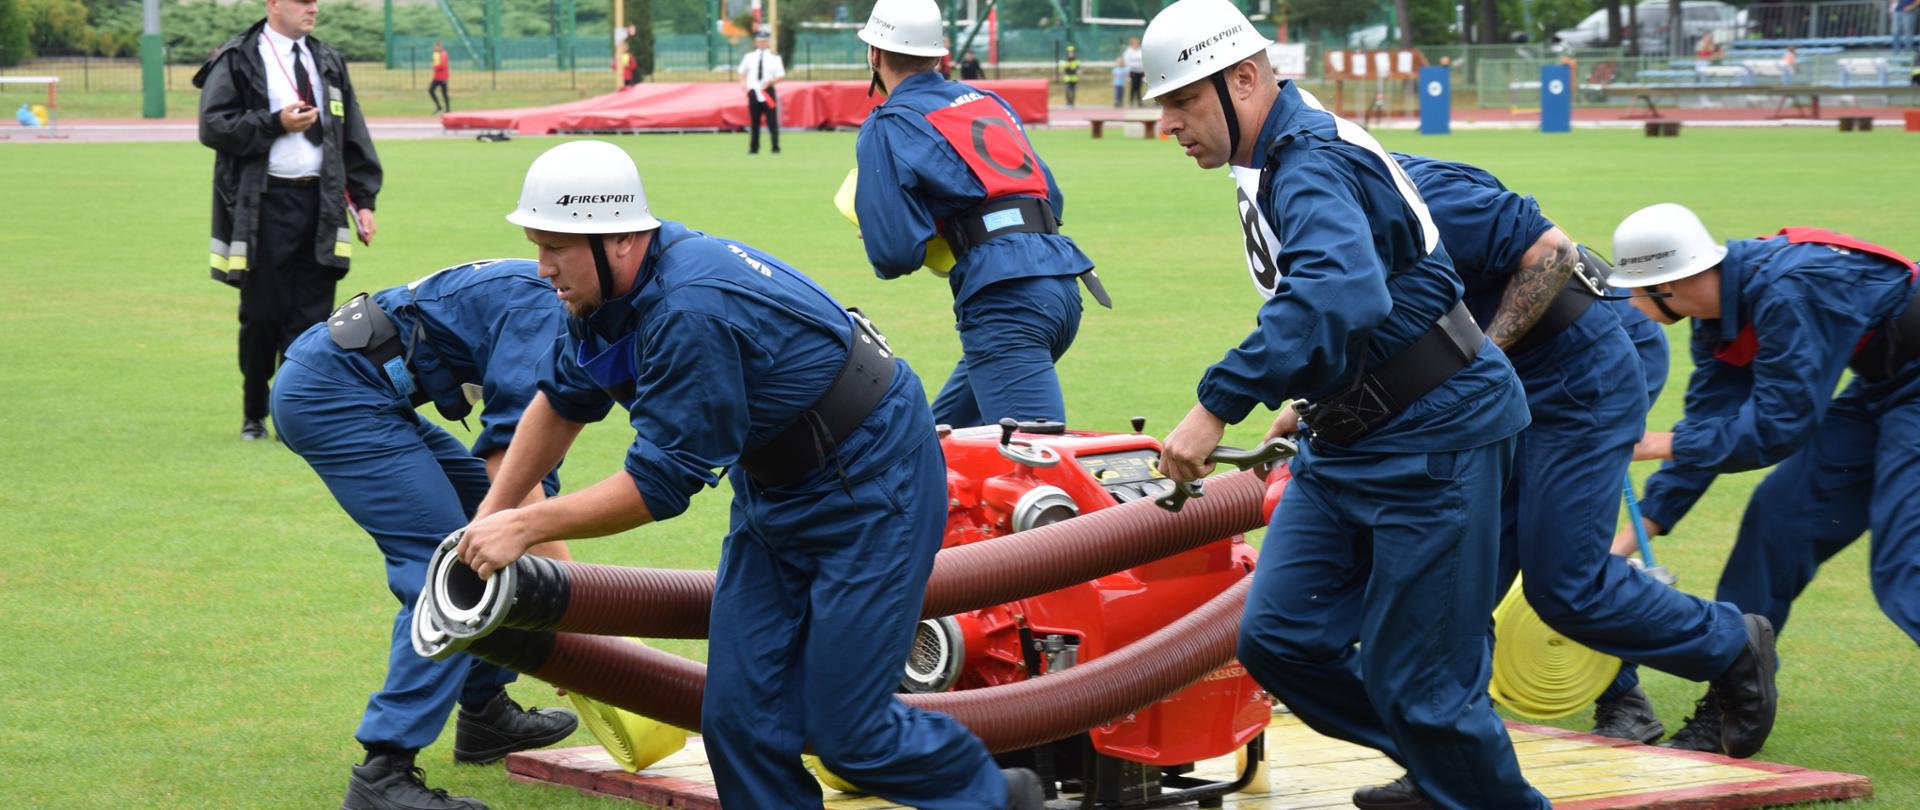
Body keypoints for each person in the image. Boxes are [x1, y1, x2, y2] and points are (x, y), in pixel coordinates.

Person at [453, 140, 1047, 810]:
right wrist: (490, 517)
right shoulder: (602, 299)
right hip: (779, 488)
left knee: (848, 732)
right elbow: (561, 401)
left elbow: (658, 487)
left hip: (877, 482)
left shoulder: (688, 308)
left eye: (555, 247)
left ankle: (998, 799)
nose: (543, 267)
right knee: (737, 721)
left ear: (617, 240)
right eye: (538, 244)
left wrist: (528, 525)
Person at [1142, 1, 1543, 807]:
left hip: (1436, 433)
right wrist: (1311, 391)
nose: (1171, 125)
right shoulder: (1274, 154)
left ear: (1243, 81)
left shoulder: (1307, 157)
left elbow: (1340, 288)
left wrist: (1218, 401)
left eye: (1183, 101)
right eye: (1165, 107)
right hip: (1350, 436)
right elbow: (1344, 300)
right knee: (1281, 640)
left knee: (1420, 677)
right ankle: (1448, 765)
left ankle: (1467, 776)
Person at [1390, 155, 1779, 759]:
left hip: (1587, 368)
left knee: (1565, 577)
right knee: (1465, 565)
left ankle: (1697, 661)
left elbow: (1549, 254)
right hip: (1508, 385)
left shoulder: (1406, 188)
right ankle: (1448, 745)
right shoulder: (1315, 201)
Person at [271, 259, 582, 810]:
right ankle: (383, 773)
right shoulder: (549, 305)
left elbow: (535, 445)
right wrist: (582, 619)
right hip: (334, 394)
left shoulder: (576, 300)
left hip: (369, 393)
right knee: (448, 572)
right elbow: (511, 457)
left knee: (487, 536)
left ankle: (485, 714)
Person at [1607, 202, 1920, 749]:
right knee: (1777, 521)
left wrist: (1662, 443)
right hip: (1885, 387)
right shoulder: (1719, 318)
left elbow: (1778, 426)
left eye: (1638, 289)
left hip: (1908, 387)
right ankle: (1733, 697)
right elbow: (1712, 425)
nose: (1633, 303)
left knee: (1904, 564)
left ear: (1673, 282)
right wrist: (1631, 540)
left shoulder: (1790, 289)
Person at [853, 0, 1106, 429]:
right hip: (1062, 283)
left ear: (874, 54)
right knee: (938, 453)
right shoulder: (988, 101)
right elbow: (1051, 199)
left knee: (1037, 469)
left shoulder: (888, 122)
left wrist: (885, 223)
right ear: (940, 54)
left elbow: (894, 253)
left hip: (1006, 302)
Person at [195, 0, 381, 441]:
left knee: (313, 322)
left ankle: (295, 418)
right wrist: (274, 122)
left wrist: (365, 201)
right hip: (263, 206)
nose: (313, 9)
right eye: (302, 1)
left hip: (322, 205)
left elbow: (352, 133)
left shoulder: (328, 59)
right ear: (274, 4)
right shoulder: (239, 57)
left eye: (316, 2)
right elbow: (213, 126)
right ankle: (253, 412)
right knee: (262, 315)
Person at [736, 28, 784, 154]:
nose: (762, 44)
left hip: (767, 91)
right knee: (754, 121)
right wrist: (743, 83)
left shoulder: (775, 58)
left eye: (765, 41)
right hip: (753, 92)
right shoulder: (749, 57)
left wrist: (770, 82)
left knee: (772, 121)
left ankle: (775, 146)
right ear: (755, 43)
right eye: (760, 41)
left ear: (768, 42)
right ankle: (753, 148)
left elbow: (780, 75)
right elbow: (742, 72)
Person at [428, 40, 451, 114]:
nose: (435, 48)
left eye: (436, 46)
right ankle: (439, 107)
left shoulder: (443, 54)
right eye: (434, 46)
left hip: (443, 77)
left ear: (440, 46)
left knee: (444, 93)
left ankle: (448, 110)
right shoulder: (435, 54)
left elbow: (442, 65)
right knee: (431, 90)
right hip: (436, 77)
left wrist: (435, 67)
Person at [1122, 36, 1144, 106]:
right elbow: (1127, 62)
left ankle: (1139, 101)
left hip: (1140, 71)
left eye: (1137, 43)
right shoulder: (1128, 51)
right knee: (1134, 87)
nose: (1136, 44)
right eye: (1135, 43)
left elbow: (1143, 60)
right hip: (1133, 71)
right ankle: (1131, 101)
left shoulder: (1140, 50)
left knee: (1139, 87)